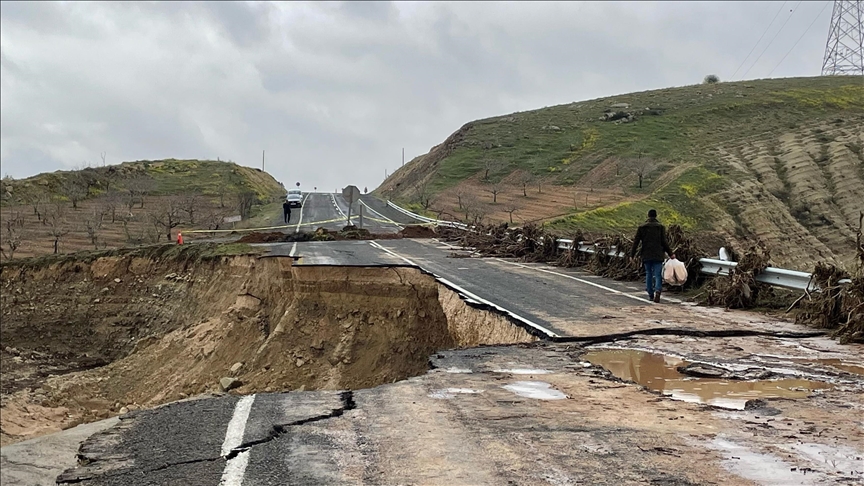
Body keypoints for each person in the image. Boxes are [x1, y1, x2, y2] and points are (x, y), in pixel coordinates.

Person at [630, 209, 675, 303]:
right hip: (658, 254)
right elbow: (664, 242)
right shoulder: (660, 227)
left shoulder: (642, 227)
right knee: (658, 274)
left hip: (646, 254)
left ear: (648, 216)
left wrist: (632, 255)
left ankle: (650, 293)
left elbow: (636, 242)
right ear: (656, 216)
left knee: (648, 273)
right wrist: (671, 253)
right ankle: (658, 290)